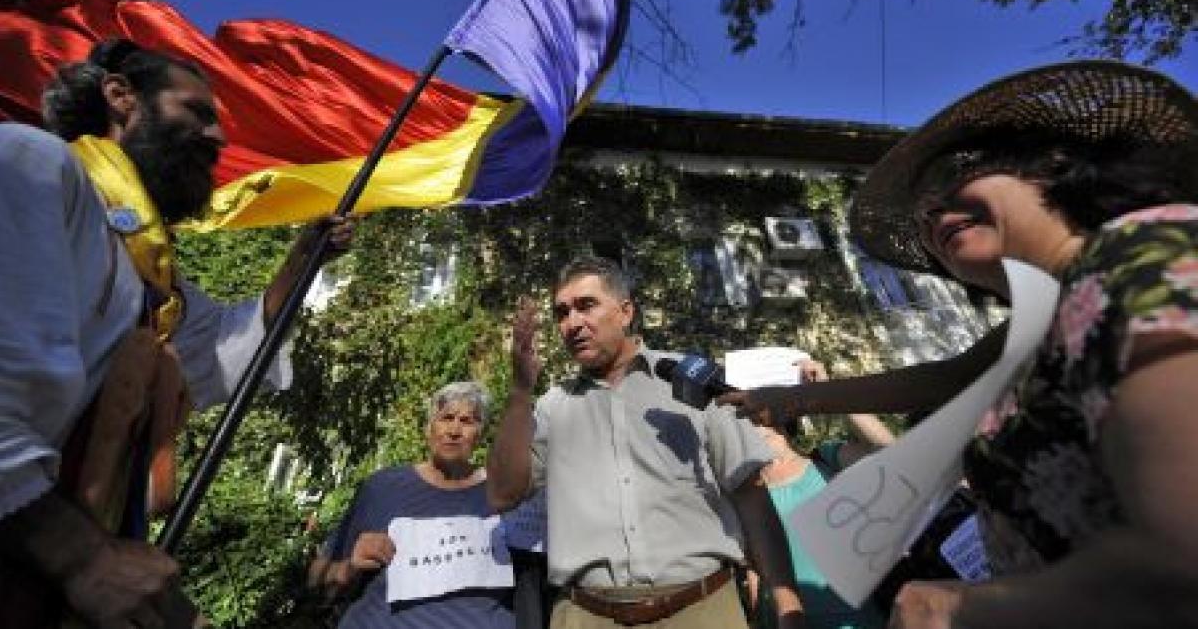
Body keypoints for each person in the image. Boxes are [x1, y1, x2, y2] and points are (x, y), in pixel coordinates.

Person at [730, 61, 1198, 627]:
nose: (935, 214)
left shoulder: (1145, 253)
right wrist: (793, 398)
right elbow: (945, 378)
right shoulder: (1052, 318)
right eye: (925, 215)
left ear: (1049, 167)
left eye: (957, 176)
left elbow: (1180, 561)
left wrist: (960, 608)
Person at [0, 38, 352, 627]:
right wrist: (81, 558)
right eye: (197, 112)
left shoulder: (157, 286)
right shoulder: (30, 166)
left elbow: (230, 349)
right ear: (120, 97)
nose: (218, 138)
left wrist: (301, 261)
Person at [487, 256, 803, 629]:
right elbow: (502, 495)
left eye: (586, 305)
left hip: (703, 610)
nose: (572, 324)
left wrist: (787, 603)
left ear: (625, 312)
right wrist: (521, 390)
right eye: (561, 313)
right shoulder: (552, 408)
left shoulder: (695, 381)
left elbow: (750, 495)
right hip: (585, 615)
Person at [308, 382, 516, 628]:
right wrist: (351, 566)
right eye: (446, 418)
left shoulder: (505, 496)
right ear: (429, 429)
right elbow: (316, 578)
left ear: (480, 434)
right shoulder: (382, 488)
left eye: (467, 421)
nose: (454, 430)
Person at [747, 358, 891, 629]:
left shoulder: (826, 459)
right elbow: (752, 568)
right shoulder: (741, 489)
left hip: (856, 621)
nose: (750, 421)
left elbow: (887, 450)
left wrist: (830, 390)